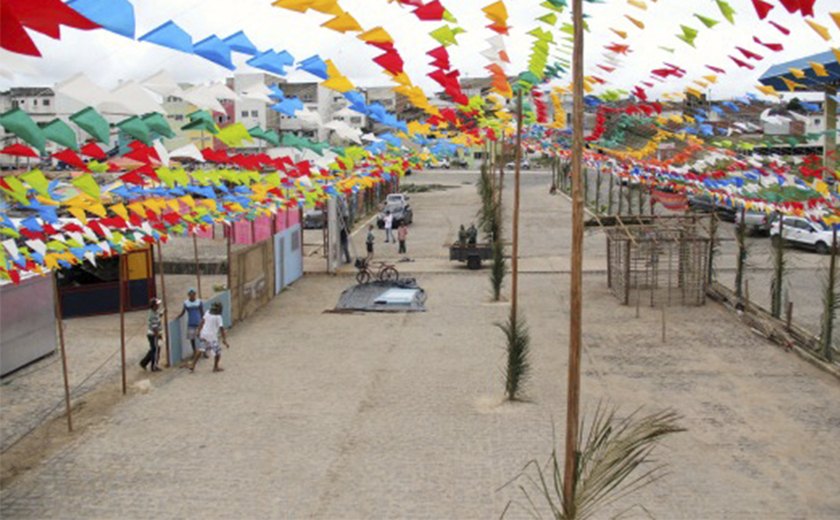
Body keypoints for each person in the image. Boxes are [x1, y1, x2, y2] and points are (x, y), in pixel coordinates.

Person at [189, 302, 229, 373]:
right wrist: (224, 339)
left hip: (204, 334)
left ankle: (193, 365)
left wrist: (198, 331)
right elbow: (221, 329)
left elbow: (202, 322)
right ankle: (215, 367)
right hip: (212, 337)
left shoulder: (207, 312)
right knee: (217, 352)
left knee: (200, 349)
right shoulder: (218, 317)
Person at [175, 289, 204, 354]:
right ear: (188, 295)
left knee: (202, 337)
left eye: (193, 294)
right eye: (190, 294)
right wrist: (178, 316)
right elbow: (183, 312)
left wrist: (203, 321)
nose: (192, 296)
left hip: (199, 322)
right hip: (191, 323)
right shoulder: (186, 303)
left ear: (195, 294)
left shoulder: (199, 302)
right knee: (192, 338)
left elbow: (202, 312)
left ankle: (203, 351)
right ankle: (194, 351)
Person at [140, 298, 163, 372]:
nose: (158, 305)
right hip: (153, 335)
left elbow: (158, 316)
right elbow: (154, 327)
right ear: (154, 305)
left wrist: (162, 313)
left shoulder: (153, 312)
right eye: (157, 304)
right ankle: (154, 366)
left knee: (153, 349)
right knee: (155, 350)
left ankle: (143, 363)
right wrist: (158, 335)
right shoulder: (152, 314)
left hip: (152, 334)